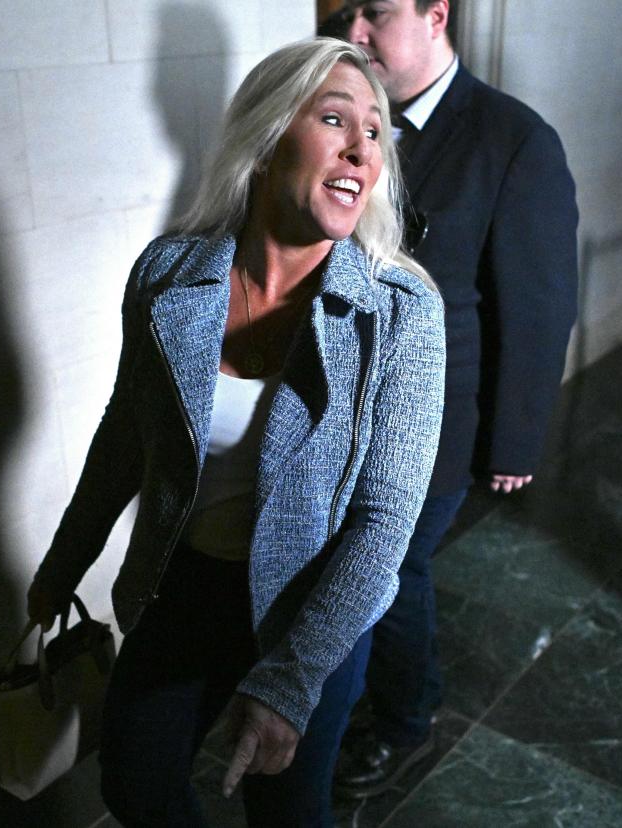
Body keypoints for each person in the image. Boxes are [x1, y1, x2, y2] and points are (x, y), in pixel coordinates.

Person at [26, 38, 446, 826]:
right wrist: (65, 561)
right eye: (334, 118)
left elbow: (385, 521)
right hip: (183, 585)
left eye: (376, 132)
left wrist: (289, 681)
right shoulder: (168, 274)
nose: (363, 146)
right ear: (265, 139)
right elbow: (126, 436)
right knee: (135, 786)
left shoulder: (400, 314)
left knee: (286, 810)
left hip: (313, 602)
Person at [331, 0, 579, 796]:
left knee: (394, 570)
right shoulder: (355, 123)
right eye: (347, 13)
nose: (354, 33)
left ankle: (405, 721)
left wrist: (514, 441)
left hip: (442, 411)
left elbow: (538, 305)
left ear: (436, 15)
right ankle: (350, 698)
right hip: (348, 398)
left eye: (373, 13)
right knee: (359, 564)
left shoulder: (514, 138)